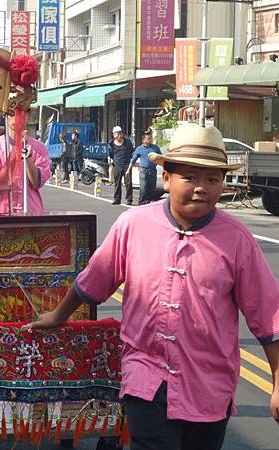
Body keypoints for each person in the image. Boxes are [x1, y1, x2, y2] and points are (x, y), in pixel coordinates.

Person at [30, 123, 279, 450]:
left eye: (212, 179)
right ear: (166, 179)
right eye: (190, 177)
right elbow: (95, 278)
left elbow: (267, 313)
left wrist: (277, 380)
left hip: (209, 384)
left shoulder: (237, 238)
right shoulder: (134, 223)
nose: (201, 188)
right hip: (146, 378)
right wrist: (59, 315)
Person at [0, 111, 51, 214]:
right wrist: (16, 151)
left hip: (30, 210)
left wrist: (27, 159)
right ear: (5, 115)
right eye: (12, 112)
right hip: (0, 212)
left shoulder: (39, 147)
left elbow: (37, 182)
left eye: (23, 112)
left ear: (28, 115)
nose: (18, 116)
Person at [127, 133, 162, 205]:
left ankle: (149, 202)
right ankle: (142, 202)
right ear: (143, 140)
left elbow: (161, 157)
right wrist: (128, 169)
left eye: (150, 138)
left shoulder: (155, 148)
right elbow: (133, 160)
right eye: (148, 139)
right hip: (143, 171)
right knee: (143, 187)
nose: (150, 140)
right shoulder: (139, 149)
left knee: (152, 188)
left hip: (152, 171)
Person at [108, 126, 134, 205]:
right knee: (117, 183)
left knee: (128, 183)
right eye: (117, 134)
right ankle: (117, 199)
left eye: (120, 133)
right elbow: (111, 154)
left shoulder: (127, 142)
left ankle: (129, 199)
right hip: (117, 165)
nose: (119, 135)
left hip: (126, 165)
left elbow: (131, 152)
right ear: (113, 135)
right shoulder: (111, 144)